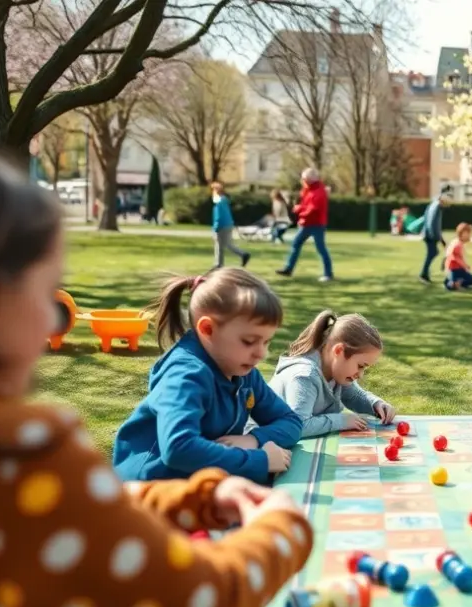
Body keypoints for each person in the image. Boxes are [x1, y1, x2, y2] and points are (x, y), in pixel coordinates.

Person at [0, 138, 313, 607]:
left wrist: (200, 496)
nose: (52, 322)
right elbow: (200, 601)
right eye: (47, 293)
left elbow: (68, 515)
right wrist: (285, 526)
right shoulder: (17, 452)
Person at [112, 268, 302, 485]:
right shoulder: (185, 375)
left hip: (201, 483)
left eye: (267, 342)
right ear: (208, 329)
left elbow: (291, 421)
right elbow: (178, 448)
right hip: (152, 489)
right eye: (249, 341)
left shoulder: (244, 372)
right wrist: (260, 460)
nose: (261, 353)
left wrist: (252, 439)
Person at [267, 311, 397, 438]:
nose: (360, 375)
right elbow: (297, 426)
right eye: (360, 366)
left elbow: (353, 396)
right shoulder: (305, 376)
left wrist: (375, 404)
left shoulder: (336, 371)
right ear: (339, 351)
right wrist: (340, 421)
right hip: (263, 445)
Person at [276, 167, 333, 282]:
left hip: (316, 224)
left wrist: (299, 209)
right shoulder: (309, 190)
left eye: (304, 179)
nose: (302, 181)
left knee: (321, 248)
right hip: (306, 223)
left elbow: (313, 209)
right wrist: (301, 209)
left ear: (310, 179)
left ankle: (328, 274)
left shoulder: (318, 192)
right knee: (295, 245)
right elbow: (308, 205)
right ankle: (288, 269)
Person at [210, 181, 250, 269]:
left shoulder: (219, 201)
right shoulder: (224, 200)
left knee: (219, 245)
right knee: (228, 244)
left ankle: (219, 264)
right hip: (228, 224)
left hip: (221, 225)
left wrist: (216, 228)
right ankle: (243, 254)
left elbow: (219, 215)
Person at [419, 191, 450, 284]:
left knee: (432, 253)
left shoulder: (433, 205)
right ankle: (423, 274)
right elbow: (433, 224)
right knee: (432, 253)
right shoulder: (436, 207)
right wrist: (439, 238)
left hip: (429, 234)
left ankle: (425, 274)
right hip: (430, 235)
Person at [444, 222, 472, 291]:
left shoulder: (455, 242)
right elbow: (455, 257)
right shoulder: (458, 245)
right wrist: (465, 266)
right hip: (456, 269)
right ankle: (454, 283)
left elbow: (448, 253)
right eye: (469, 234)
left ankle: (452, 281)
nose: (470, 236)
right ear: (463, 234)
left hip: (454, 269)